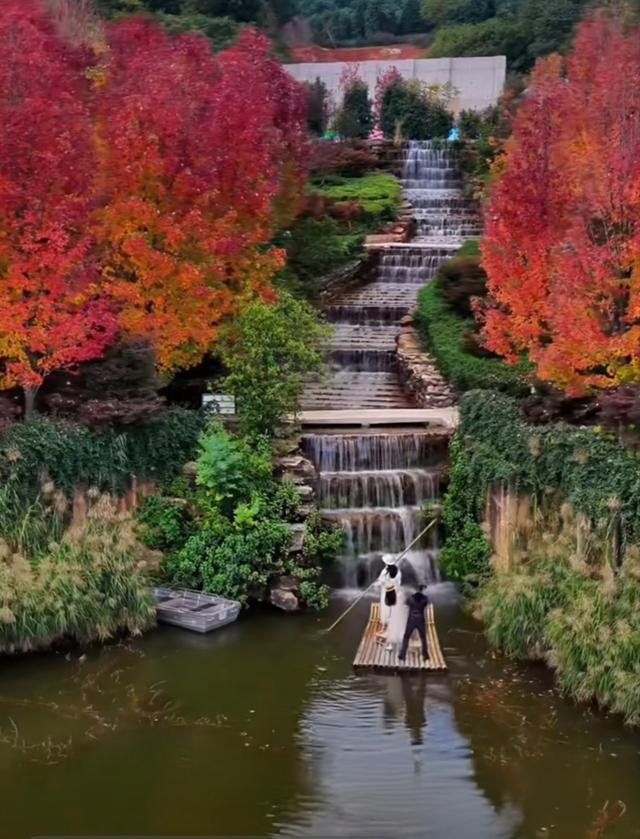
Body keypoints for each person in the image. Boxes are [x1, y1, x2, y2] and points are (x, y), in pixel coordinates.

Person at [398, 585, 430, 662]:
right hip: (420, 619)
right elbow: (426, 603)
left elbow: (405, 603)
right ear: (422, 590)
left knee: (406, 637)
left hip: (411, 619)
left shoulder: (411, 598)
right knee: (423, 638)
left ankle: (402, 655)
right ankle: (425, 655)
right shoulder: (425, 598)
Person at [377, 555, 402, 630]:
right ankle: (393, 622)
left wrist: (378, 583)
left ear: (386, 563)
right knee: (393, 606)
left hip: (386, 591)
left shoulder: (385, 572)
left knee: (386, 607)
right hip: (395, 591)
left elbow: (381, 581)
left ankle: (386, 623)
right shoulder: (398, 571)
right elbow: (399, 582)